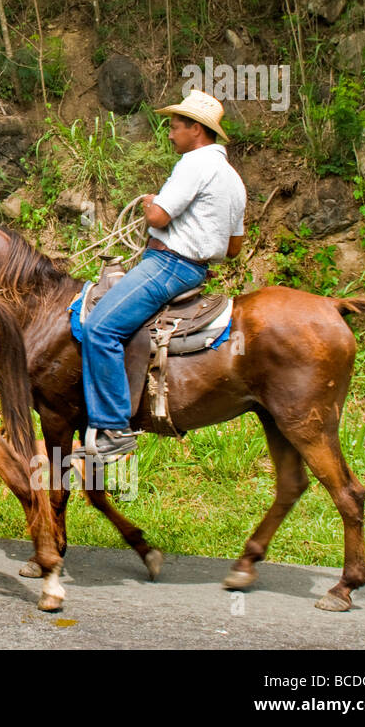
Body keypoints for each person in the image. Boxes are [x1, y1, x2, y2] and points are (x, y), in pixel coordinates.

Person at [82, 89, 247, 461]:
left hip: (168, 265)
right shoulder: (233, 179)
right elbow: (234, 247)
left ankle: (113, 429)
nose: (170, 135)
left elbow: (157, 219)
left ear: (196, 130)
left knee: (100, 329)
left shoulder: (194, 163)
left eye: (174, 127)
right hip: (196, 271)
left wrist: (152, 205)